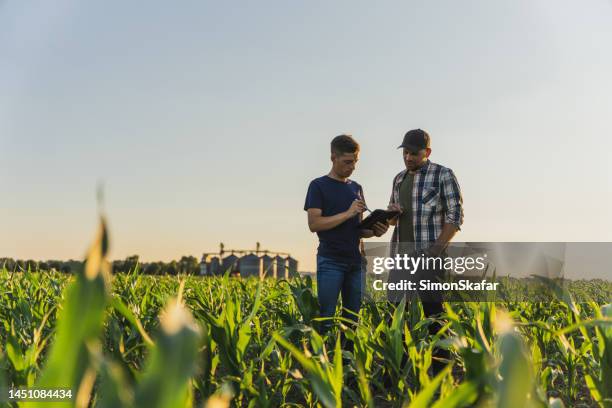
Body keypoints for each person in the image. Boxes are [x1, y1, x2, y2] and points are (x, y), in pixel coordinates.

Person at [387, 128, 464, 374]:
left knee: (434, 318)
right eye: (405, 153)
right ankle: (396, 374)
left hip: (430, 259)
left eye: (414, 153)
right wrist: (391, 213)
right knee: (396, 318)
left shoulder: (443, 175)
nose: (408, 158)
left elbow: (456, 217)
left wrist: (435, 251)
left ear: (427, 152)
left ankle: (442, 376)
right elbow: (392, 221)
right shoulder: (399, 179)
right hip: (401, 258)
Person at [304, 134, 389, 336]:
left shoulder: (356, 188)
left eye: (355, 162)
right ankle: (322, 363)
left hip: (356, 263)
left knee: (352, 321)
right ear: (333, 157)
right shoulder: (317, 186)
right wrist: (348, 213)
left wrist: (375, 231)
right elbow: (314, 224)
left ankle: (347, 363)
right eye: (347, 162)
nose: (352, 167)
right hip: (330, 261)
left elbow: (358, 229)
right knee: (326, 319)